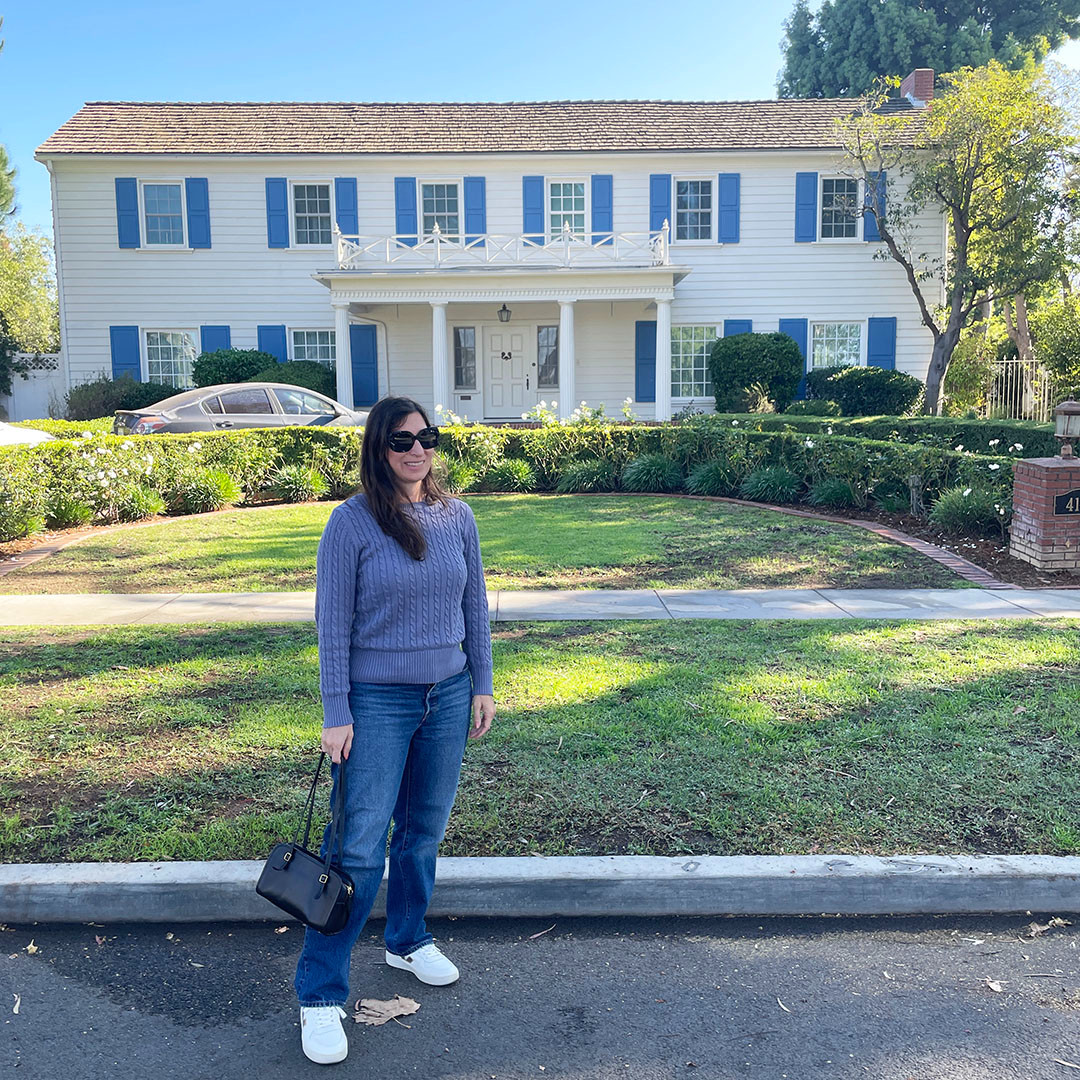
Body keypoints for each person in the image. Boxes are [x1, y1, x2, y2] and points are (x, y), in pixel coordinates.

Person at [294, 395, 495, 1065]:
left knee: (424, 832)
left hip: (449, 692)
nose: (417, 449)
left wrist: (484, 683)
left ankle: (407, 941)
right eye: (401, 440)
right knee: (356, 848)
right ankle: (320, 995)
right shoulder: (350, 524)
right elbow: (333, 625)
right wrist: (336, 711)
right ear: (378, 448)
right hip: (376, 701)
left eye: (427, 437)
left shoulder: (457, 517)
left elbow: (475, 607)